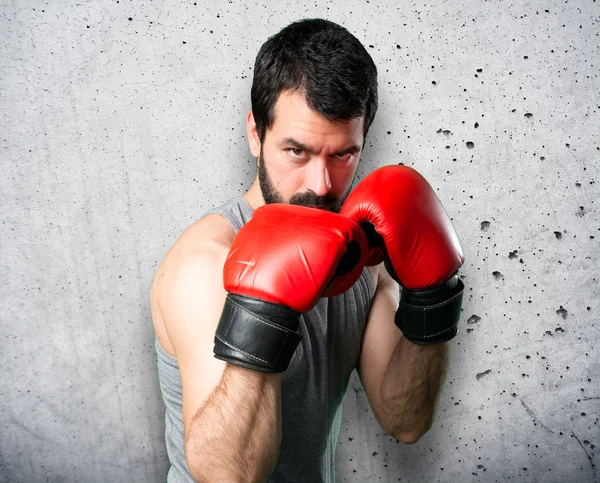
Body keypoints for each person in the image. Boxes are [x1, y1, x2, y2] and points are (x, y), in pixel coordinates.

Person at [150, 18, 465, 483]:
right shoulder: (204, 264)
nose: (321, 185)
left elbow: (406, 420)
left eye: (342, 155)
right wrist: (263, 306)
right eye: (297, 151)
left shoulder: (360, 260)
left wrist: (431, 298)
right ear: (256, 133)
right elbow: (228, 476)